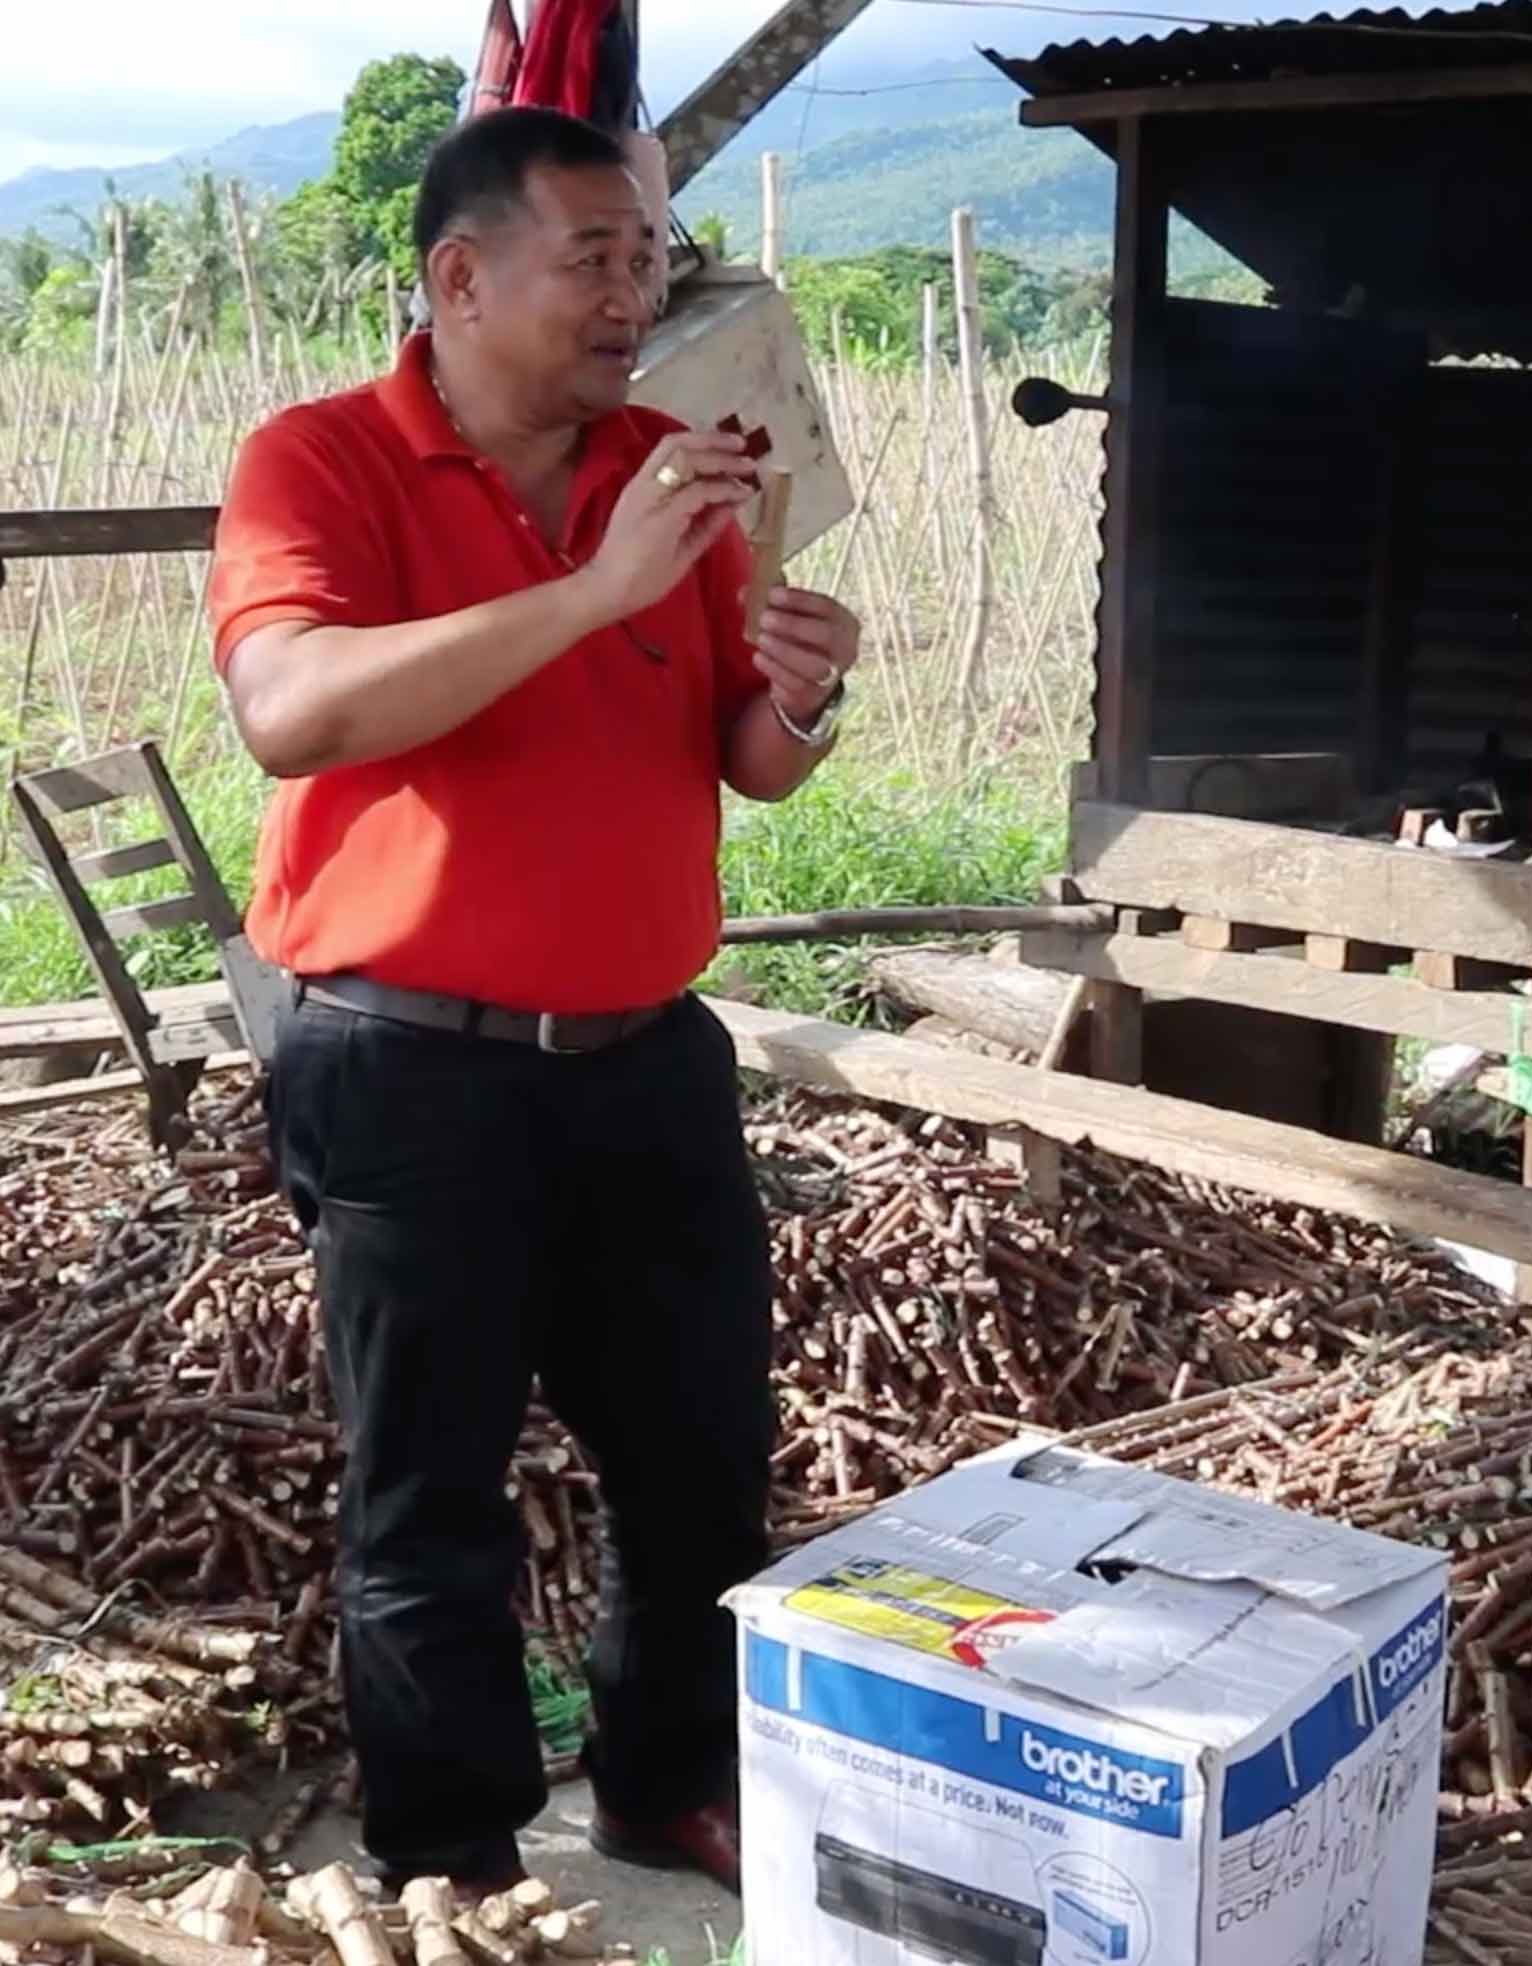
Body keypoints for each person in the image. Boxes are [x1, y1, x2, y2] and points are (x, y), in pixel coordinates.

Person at [205, 107, 865, 1897]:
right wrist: (587, 595)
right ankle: (452, 1857)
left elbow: (750, 759)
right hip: (406, 1063)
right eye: (596, 256)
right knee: (429, 1500)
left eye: (647, 256)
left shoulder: (672, 463)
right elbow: (293, 708)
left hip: (647, 1059)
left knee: (701, 1458)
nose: (633, 290)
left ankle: (665, 1782)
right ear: (458, 275)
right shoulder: (319, 463)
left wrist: (804, 697)